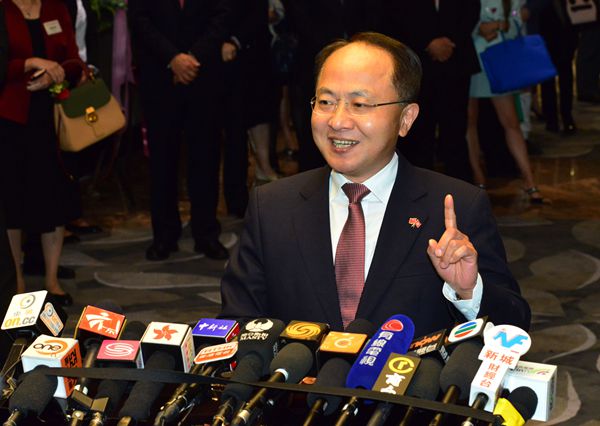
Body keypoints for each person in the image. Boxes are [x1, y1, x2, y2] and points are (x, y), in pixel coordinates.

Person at [219, 32, 531, 335]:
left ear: (406, 118)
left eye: (360, 104)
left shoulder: (455, 207)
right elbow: (237, 324)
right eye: (326, 101)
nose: (338, 121)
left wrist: (469, 291)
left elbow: (513, 327)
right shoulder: (271, 207)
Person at [128, 0, 232, 261]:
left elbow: (221, 16)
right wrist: (172, 58)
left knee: (206, 159)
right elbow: (140, 20)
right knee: (162, 161)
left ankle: (206, 233)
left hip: (204, 77)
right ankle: (164, 235)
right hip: (159, 77)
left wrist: (192, 59)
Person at [0, 0, 83, 306]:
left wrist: (55, 74)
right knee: (12, 200)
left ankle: (51, 280)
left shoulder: (55, 8)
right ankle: (17, 281)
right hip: (10, 117)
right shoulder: (4, 10)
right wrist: (30, 63)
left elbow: (74, 61)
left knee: (53, 197)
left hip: (52, 118)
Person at [375, 0, 481, 182]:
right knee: (419, 129)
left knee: (456, 127)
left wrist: (449, 41)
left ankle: (459, 186)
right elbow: (394, 15)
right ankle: (416, 186)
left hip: (456, 60)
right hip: (416, 62)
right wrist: (427, 42)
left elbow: (470, 10)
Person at [466, 0, 544, 202]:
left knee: (511, 122)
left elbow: (518, 21)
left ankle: (529, 180)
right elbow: (458, 22)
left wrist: (499, 26)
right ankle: (478, 177)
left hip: (500, 60)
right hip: (471, 60)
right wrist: (480, 29)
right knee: (469, 121)